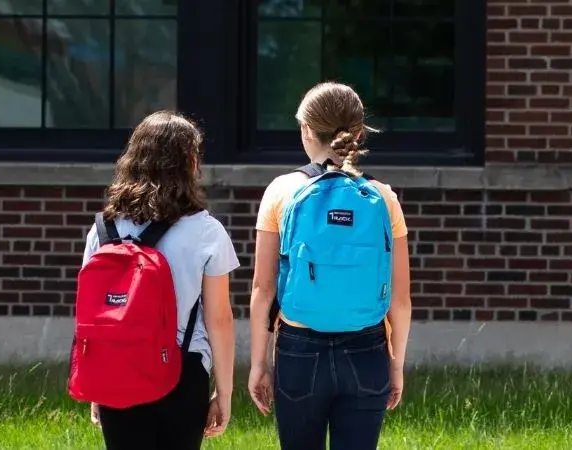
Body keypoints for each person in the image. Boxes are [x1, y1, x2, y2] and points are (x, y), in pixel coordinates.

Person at [244, 82, 414, 450]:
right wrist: (396, 366)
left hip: (298, 350)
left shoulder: (280, 191)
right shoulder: (383, 197)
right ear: (357, 133)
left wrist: (259, 363)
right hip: (367, 348)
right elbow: (401, 300)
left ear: (307, 130)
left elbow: (263, 289)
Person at [77, 111, 239, 449]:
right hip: (182, 371)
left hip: (116, 368)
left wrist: (97, 380)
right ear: (191, 163)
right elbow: (219, 319)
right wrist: (223, 393)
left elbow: (92, 314)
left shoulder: (103, 229)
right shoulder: (206, 231)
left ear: (134, 160)